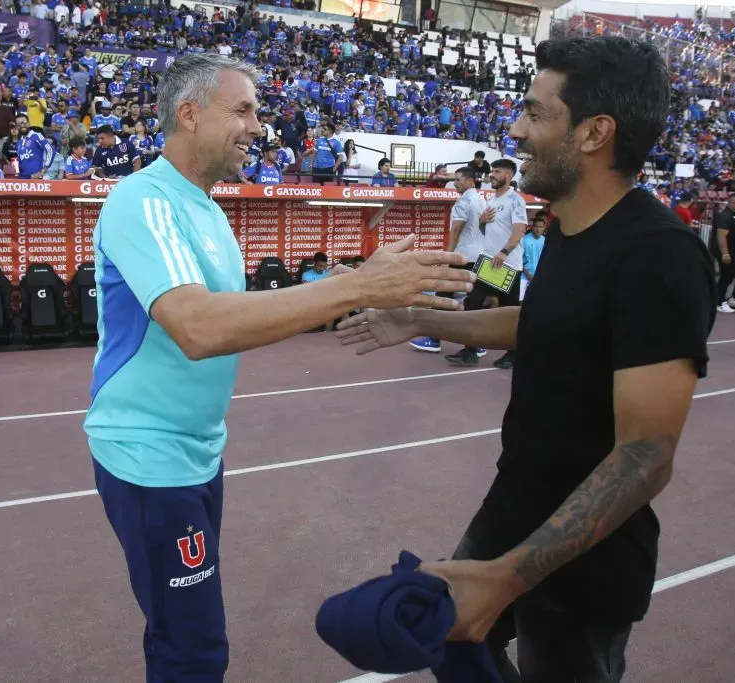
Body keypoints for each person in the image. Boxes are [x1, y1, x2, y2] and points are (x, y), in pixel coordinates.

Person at [83, 53, 474, 683]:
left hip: (197, 453)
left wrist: (357, 291)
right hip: (148, 456)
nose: (258, 126)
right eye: (242, 109)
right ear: (189, 115)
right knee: (195, 648)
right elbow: (199, 327)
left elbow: (237, 314)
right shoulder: (142, 200)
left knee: (179, 635)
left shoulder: (207, 210)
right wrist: (351, 288)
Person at [337, 36, 716, 682]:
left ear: (597, 133)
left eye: (537, 113)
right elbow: (544, 321)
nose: (516, 127)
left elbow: (645, 457)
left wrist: (505, 577)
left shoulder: (659, 257)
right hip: (513, 504)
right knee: (450, 647)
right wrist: (421, 318)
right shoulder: (571, 228)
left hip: (585, 555)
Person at [445, 159, 526, 369]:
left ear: (508, 176)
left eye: (497, 172)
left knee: (508, 310)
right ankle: (471, 351)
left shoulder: (515, 200)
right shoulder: (491, 200)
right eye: (492, 171)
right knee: (472, 304)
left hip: (507, 265)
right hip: (489, 262)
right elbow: (486, 232)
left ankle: (514, 352)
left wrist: (504, 252)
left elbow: (519, 231)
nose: (491, 175)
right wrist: (481, 221)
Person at [409, 166, 488, 355]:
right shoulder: (483, 200)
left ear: (470, 181)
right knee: (474, 302)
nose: (455, 183)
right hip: (480, 256)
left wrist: (447, 256)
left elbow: (456, 230)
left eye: (459, 180)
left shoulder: (464, 202)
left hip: (462, 256)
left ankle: (434, 339)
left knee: (442, 297)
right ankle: (476, 344)